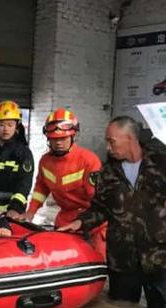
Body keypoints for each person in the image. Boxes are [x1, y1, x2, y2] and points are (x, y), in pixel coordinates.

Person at [59, 116, 166, 308]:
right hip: (122, 256)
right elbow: (100, 208)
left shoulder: (164, 164)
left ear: (130, 138)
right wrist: (80, 223)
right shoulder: (107, 172)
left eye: (111, 141)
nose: (107, 147)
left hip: (159, 255)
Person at [24, 108, 106, 254]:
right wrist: (30, 213)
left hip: (93, 223)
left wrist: (81, 222)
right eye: (54, 139)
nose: (59, 143)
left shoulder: (88, 160)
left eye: (63, 139)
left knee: (99, 260)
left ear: (73, 137)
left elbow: (99, 202)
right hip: (65, 219)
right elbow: (41, 188)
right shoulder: (45, 161)